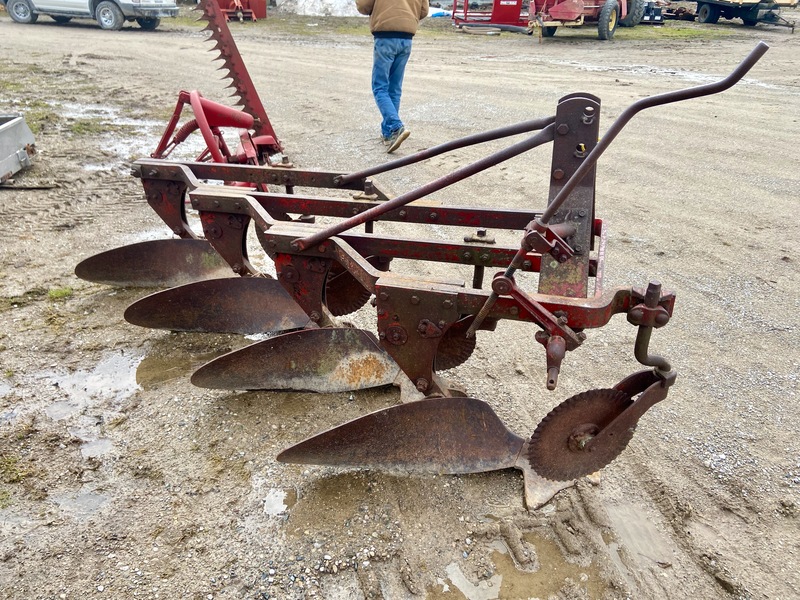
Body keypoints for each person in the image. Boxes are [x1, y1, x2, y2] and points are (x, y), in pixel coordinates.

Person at [356, 0, 429, 153]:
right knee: (394, 88)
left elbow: (363, 7)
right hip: (407, 39)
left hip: (385, 37)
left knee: (380, 87)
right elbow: (424, 11)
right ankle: (388, 133)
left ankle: (396, 127)